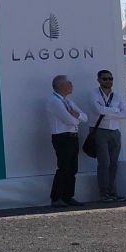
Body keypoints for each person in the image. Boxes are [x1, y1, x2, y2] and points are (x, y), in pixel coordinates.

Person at [47, 74, 86, 207]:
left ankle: (68, 196)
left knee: (72, 168)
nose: (71, 85)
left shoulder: (68, 101)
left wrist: (77, 116)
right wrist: (77, 118)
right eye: (69, 83)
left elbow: (84, 117)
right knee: (63, 167)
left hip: (73, 136)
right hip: (62, 137)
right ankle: (56, 197)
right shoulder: (55, 101)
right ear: (61, 85)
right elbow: (69, 120)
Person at [91, 69, 126, 201]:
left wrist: (107, 112)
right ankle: (103, 193)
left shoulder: (117, 95)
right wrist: (115, 111)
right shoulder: (94, 94)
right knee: (104, 163)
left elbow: (124, 114)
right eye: (105, 79)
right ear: (99, 80)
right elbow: (98, 110)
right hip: (100, 131)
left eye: (110, 78)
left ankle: (113, 192)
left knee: (114, 163)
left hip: (115, 131)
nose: (108, 81)